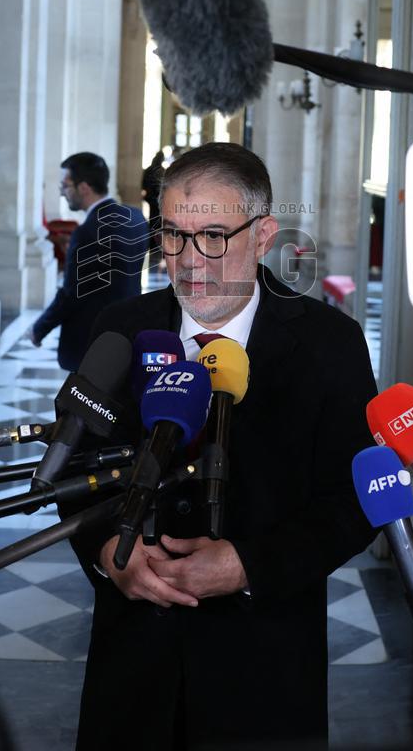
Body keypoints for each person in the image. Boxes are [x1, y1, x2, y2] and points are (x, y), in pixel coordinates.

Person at [64, 142, 379, 750]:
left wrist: (247, 565)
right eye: (172, 235)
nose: (187, 260)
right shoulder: (121, 330)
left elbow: (354, 501)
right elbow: (75, 469)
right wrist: (106, 552)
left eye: (212, 235)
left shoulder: (329, 344)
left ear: (262, 237)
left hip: (264, 671)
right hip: (133, 671)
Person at [30, 152, 149, 372]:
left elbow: (71, 294)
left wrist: (40, 328)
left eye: (65, 185)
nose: (62, 192)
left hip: (92, 341)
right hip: (129, 335)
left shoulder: (87, 232)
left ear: (84, 187)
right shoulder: (136, 218)